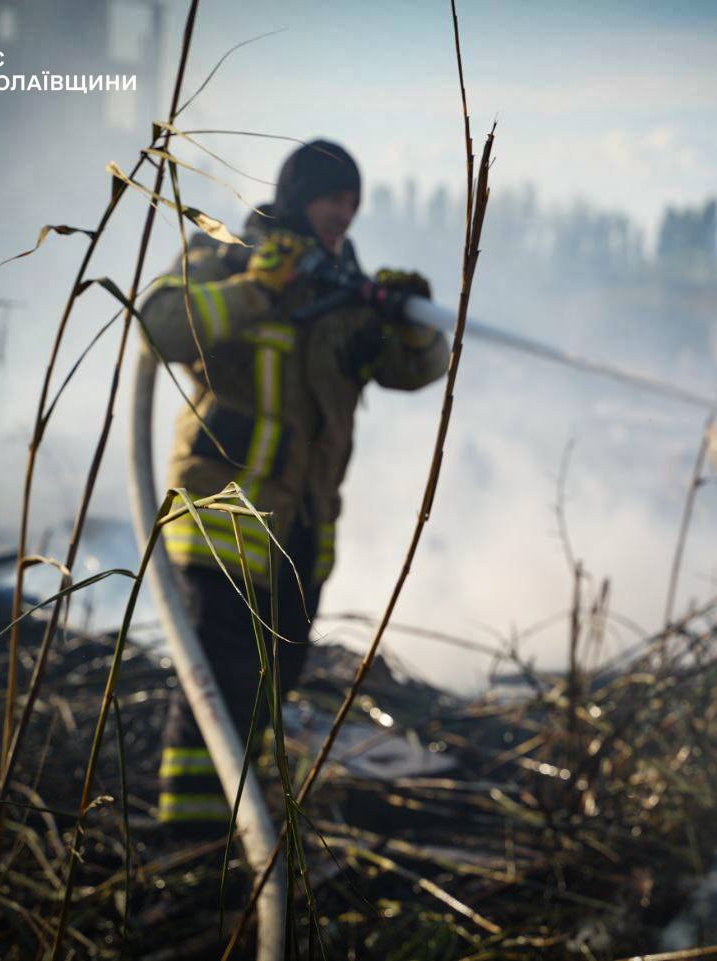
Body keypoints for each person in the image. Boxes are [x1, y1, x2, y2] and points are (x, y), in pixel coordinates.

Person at [138, 139, 449, 834]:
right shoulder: (230, 255)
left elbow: (414, 372)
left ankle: (244, 829)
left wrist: (410, 318)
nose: (345, 211)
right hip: (225, 518)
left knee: (271, 686)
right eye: (333, 195)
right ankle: (190, 844)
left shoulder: (346, 293)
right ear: (298, 192)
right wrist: (257, 289)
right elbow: (158, 324)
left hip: (300, 531)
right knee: (219, 684)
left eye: (354, 200)